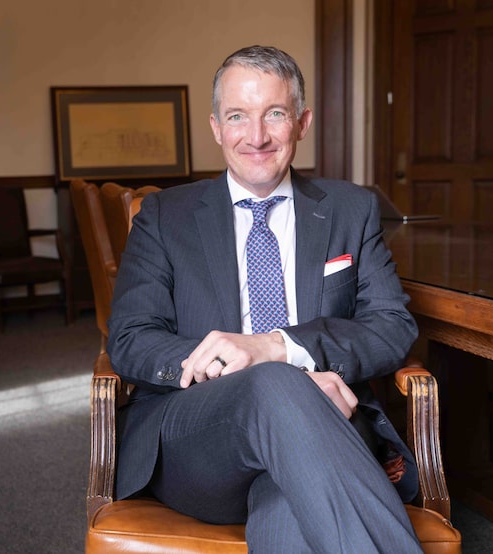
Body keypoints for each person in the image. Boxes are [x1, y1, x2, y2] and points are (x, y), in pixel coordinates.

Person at [106, 45, 423, 552]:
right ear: (215, 126)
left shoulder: (352, 209)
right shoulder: (165, 216)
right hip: (198, 439)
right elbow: (130, 338)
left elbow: (391, 326)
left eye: (274, 114)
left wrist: (276, 347)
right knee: (271, 386)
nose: (256, 137)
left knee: (289, 513)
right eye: (238, 116)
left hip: (326, 428)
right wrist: (247, 369)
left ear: (302, 123)